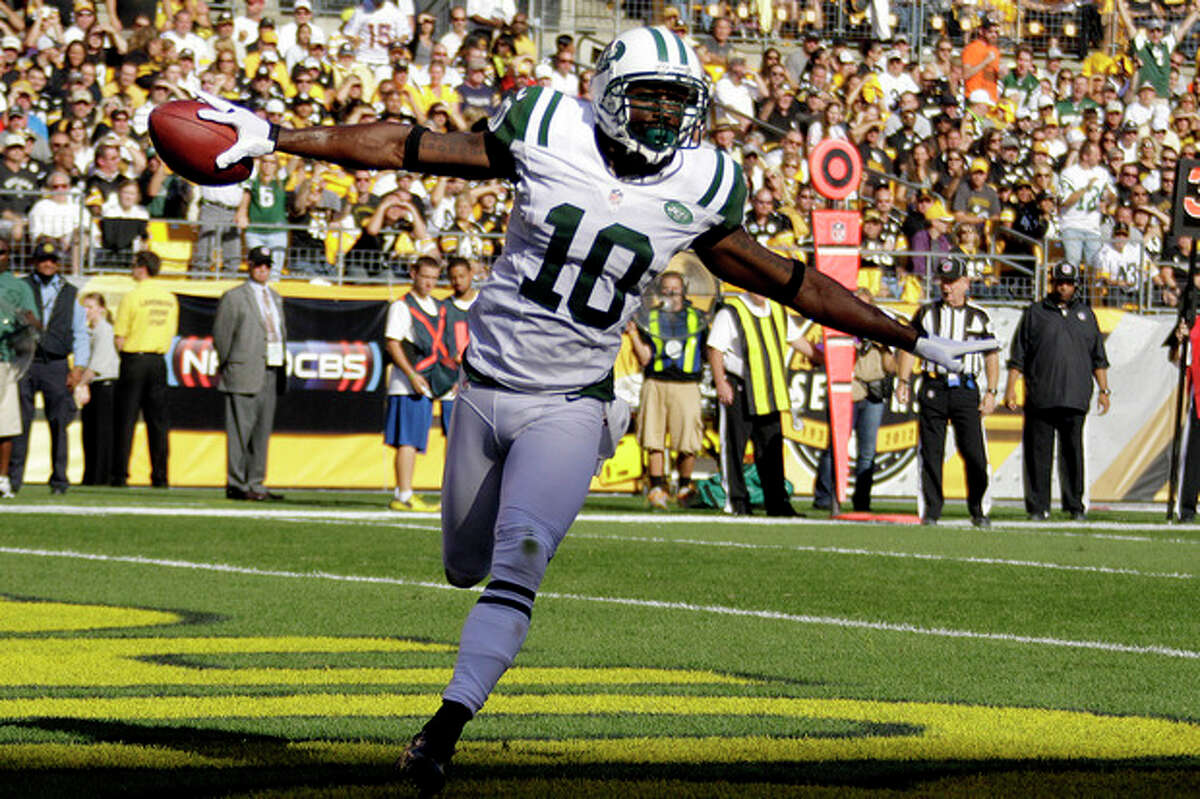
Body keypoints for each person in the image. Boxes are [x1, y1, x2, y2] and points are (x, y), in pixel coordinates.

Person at [193, 26, 993, 796]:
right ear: (608, 93)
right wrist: (276, 136)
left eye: (679, 104)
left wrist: (911, 335)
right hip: (484, 389)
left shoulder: (702, 182)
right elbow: (409, 147)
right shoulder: (546, 123)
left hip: (573, 402)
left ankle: (442, 730)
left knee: (521, 560)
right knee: (462, 566)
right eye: (649, 100)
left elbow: (789, 279)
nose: (666, 119)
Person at [1005, 261, 1111, 521]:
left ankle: (1075, 505)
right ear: (1052, 283)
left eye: (1068, 283)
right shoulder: (1035, 313)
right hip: (1042, 395)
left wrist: (1105, 389)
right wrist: (1010, 388)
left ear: (1076, 285)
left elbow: (1098, 357)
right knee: (1038, 454)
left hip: (1075, 396)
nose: (1063, 287)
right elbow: (1018, 355)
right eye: (1059, 283)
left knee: (1073, 453)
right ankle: (1038, 506)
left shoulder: (1086, 315)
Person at [897, 260, 1000, 527]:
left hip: (966, 388)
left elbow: (991, 354)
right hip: (934, 386)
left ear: (966, 282)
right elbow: (909, 346)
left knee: (975, 453)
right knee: (931, 451)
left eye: (953, 281)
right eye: (943, 281)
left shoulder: (979, 316)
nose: (947, 287)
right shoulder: (926, 313)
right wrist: (903, 380)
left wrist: (991, 390)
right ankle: (931, 510)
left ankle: (979, 508)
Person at [707, 290, 800, 517]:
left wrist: (823, 356)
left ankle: (777, 502)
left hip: (769, 390)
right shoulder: (732, 312)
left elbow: (797, 340)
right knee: (734, 447)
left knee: (771, 450)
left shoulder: (777, 311)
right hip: (739, 386)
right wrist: (720, 382)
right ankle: (737, 501)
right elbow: (715, 348)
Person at [9, 241, 92, 495]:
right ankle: (13, 480)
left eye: (53, 260)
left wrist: (78, 367)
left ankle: (59, 480)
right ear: (35, 261)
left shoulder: (70, 292)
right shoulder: (21, 286)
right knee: (19, 423)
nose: (48, 264)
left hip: (56, 363)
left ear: (59, 263)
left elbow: (80, 334)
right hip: (25, 361)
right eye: (44, 260)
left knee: (59, 422)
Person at [213, 246, 287, 501]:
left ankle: (256, 483)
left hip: (271, 367)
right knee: (240, 431)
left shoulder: (276, 297)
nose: (263, 269)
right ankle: (236, 482)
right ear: (250, 265)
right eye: (258, 265)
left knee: (262, 430)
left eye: (266, 265)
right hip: (244, 369)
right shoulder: (235, 297)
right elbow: (222, 336)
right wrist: (231, 363)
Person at [626, 271, 706, 509]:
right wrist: (632, 336)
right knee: (654, 438)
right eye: (667, 288)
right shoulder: (649, 319)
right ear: (660, 292)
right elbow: (644, 358)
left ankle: (684, 486)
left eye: (676, 288)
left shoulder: (699, 318)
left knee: (688, 441)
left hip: (687, 384)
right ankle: (658, 488)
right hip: (656, 382)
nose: (671, 292)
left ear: (684, 291)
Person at [813, 288, 897, 513]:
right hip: (847, 391)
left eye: (866, 305)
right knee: (836, 447)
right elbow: (820, 354)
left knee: (867, 452)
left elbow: (891, 368)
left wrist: (883, 346)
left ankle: (862, 500)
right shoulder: (838, 328)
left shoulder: (880, 331)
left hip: (873, 394)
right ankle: (825, 496)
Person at [384, 256, 455, 513]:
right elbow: (393, 343)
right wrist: (411, 374)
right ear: (413, 274)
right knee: (407, 440)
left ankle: (406, 492)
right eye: (425, 276)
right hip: (408, 384)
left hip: (430, 382)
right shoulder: (402, 306)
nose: (429, 283)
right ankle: (403, 494)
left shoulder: (438, 306)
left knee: (415, 440)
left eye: (434, 278)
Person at [112, 250, 179, 488]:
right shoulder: (169, 298)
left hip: (134, 358)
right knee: (159, 422)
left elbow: (120, 336)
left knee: (126, 420)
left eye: (133, 265)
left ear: (141, 267)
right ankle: (160, 476)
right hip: (158, 360)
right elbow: (171, 333)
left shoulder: (132, 297)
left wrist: (127, 355)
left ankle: (119, 475)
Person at [0, 239, 38, 499]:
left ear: (8, 256)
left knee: (5, 424)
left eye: (1, 251)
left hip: (3, 360)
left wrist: (27, 322)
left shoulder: (18, 286)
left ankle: (2, 479)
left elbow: (33, 323)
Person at [79, 292, 119, 486]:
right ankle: (91, 474)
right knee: (89, 433)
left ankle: (100, 476)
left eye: (90, 307)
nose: (86, 311)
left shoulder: (105, 330)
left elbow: (96, 366)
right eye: (84, 307)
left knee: (102, 433)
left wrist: (80, 384)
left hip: (105, 385)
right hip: (94, 386)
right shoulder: (89, 331)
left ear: (101, 309)